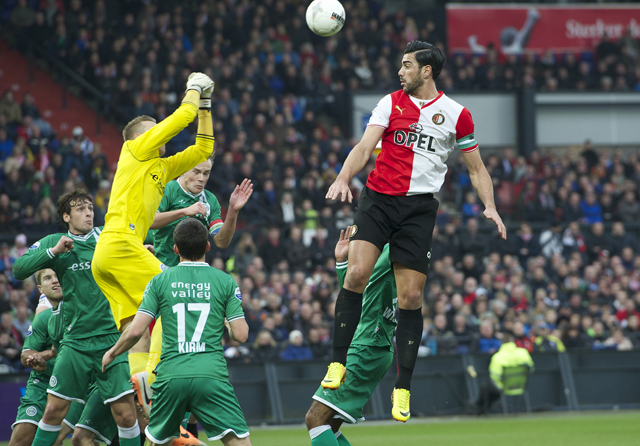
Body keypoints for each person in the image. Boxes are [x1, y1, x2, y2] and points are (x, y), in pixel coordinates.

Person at [323, 40, 506, 422]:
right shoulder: (389, 103)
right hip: (377, 200)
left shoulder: (457, 115)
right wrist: (343, 176)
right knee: (356, 273)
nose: (400, 72)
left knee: (410, 296)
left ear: (426, 70)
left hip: (418, 209)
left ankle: (402, 387)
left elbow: (477, 169)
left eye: (407, 66)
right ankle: (336, 363)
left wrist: (489, 205)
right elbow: (364, 146)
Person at [91, 72, 215, 411]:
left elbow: (204, 148)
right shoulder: (134, 148)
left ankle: (138, 388)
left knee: (137, 325)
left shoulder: (161, 165)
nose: (159, 130)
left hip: (109, 253)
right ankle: (156, 383)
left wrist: (205, 106)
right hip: (120, 243)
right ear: (139, 136)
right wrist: (194, 88)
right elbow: (181, 117)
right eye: (153, 127)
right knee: (173, 293)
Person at [102, 218, 252, 446]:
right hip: (211, 375)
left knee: (156, 442)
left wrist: (112, 353)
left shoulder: (159, 281)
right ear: (208, 246)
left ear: (175, 249)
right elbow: (241, 335)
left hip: (171, 376)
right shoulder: (225, 282)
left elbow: (136, 331)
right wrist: (225, 319)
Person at [12, 190, 140, 446]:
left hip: (111, 341)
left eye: (90, 208)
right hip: (75, 343)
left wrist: (141, 253)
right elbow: (19, 269)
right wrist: (54, 252)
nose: (88, 213)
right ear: (66, 216)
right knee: (53, 411)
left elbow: (138, 242)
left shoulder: (107, 236)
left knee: (126, 415)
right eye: (80, 209)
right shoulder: (56, 241)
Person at [306, 227, 396, 446]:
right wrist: (342, 263)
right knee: (330, 423)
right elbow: (353, 295)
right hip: (375, 346)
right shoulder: (390, 260)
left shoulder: (390, 252)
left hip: (366, 345)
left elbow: (359, 283)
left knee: (314, 419)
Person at [10, 269, 73, 446]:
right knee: (19, 440)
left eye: (58, 276)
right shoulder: (42, 318)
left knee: (80, 439)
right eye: (48, 278)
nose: (55, 281)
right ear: (40, 288)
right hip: (42, 384)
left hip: (76, 386)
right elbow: (25, 355)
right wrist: (46, 355)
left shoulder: (83, 314)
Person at [474, 333, 534, 414]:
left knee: (486, 386)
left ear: (501, 342)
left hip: (503, 386)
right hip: (521, 385)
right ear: (513, 341)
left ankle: (480, 409)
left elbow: (495, 376)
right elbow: (531, 369)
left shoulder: (497, 356)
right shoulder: (523, 353)